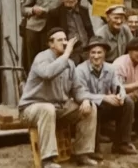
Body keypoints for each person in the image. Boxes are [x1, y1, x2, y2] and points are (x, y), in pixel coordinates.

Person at [18, 28, 99, 168]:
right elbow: (48, 73)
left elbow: (78, 89)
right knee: (47, 109)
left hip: (59, 108)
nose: (65, 43)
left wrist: (85, 100)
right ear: (51, 44)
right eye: (60, 40)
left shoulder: (70, 64)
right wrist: (67, 54)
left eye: (65, 39)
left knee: (90, 108)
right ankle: (48, 160)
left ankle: (82, 153)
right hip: (31, 109)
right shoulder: (41, 58)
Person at [74, 37, 137, 155]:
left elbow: (118, 85)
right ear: (88, 54)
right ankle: (93, 148)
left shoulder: (110, 68)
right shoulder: (80, 70)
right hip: (88, 107)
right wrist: (104, 97)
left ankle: (122, 143)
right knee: (92, 107)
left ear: (105, 54)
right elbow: (80, 94)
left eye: (99, 53)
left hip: (104, 107)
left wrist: (120, 96)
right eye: (93, 53)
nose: (96, 56)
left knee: (128, 102)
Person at [21, 0, 67, 70]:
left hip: (53, 27)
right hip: (34, 27)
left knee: (51, 57)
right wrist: (33, 10)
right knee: (33, 58)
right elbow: (24, 9)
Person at [45, 0, 94, 64]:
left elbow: (90, 31)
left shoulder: (83, 11)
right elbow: (51, 37)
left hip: (86, 52)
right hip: (69, 53)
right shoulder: (55, 14)